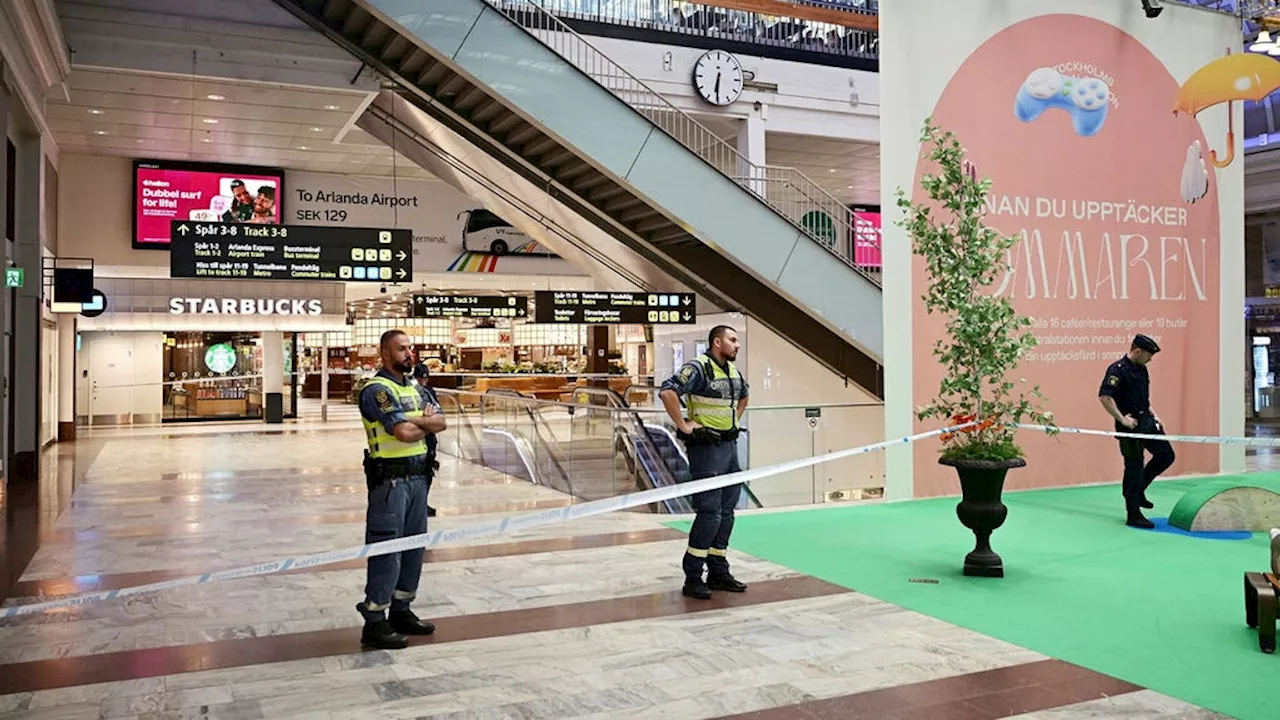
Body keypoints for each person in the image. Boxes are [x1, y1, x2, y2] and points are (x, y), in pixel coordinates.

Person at [355, 329, 446, 649]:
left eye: (410, 348)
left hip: (419, 480)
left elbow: (442, 423)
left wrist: (416, 422)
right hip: (390, 484)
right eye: (401, 349)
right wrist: (422, 421)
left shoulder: (418, 389)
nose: (409, 354)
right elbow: (403, 433)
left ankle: (401, 609)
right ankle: (375, 620)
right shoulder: (376, 390)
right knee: (386, 551)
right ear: (384, 354)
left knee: (413, 549)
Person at [659, 325, 750, 599]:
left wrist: (734, 421)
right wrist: (685, 426)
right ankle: (693, 576)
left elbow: (744, 395)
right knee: (710, 513)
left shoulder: (733, 371)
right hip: (707, 449)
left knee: (727, 512)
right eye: (732, 340)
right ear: (716, 342)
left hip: (729, 446)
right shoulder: (697, 368)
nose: (737, 345)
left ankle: (719, 571)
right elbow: (667, 392)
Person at [1098, 334, 1175, 529]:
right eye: (1148, 355)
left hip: (1146, 420)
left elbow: (1142, 398)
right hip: (1129, 425)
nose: (1150, 359)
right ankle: (1133, 514)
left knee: (1166, 455)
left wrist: (1153, 414)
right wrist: (1122, 419)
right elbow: (1105, 397)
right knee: (1134, 466)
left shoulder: (1142, 369)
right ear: (1138, 351)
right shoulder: (1118, 370)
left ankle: (1140, 489)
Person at [412, 362, 441, 518]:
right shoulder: (412, 392)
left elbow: (438, 414)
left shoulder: (429, 392)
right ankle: (418, 503)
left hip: (430, 436)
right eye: (420, 378)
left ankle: (423, 502)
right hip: (419, 436)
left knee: (428, 470)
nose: (423, 382)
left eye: (425, 379)